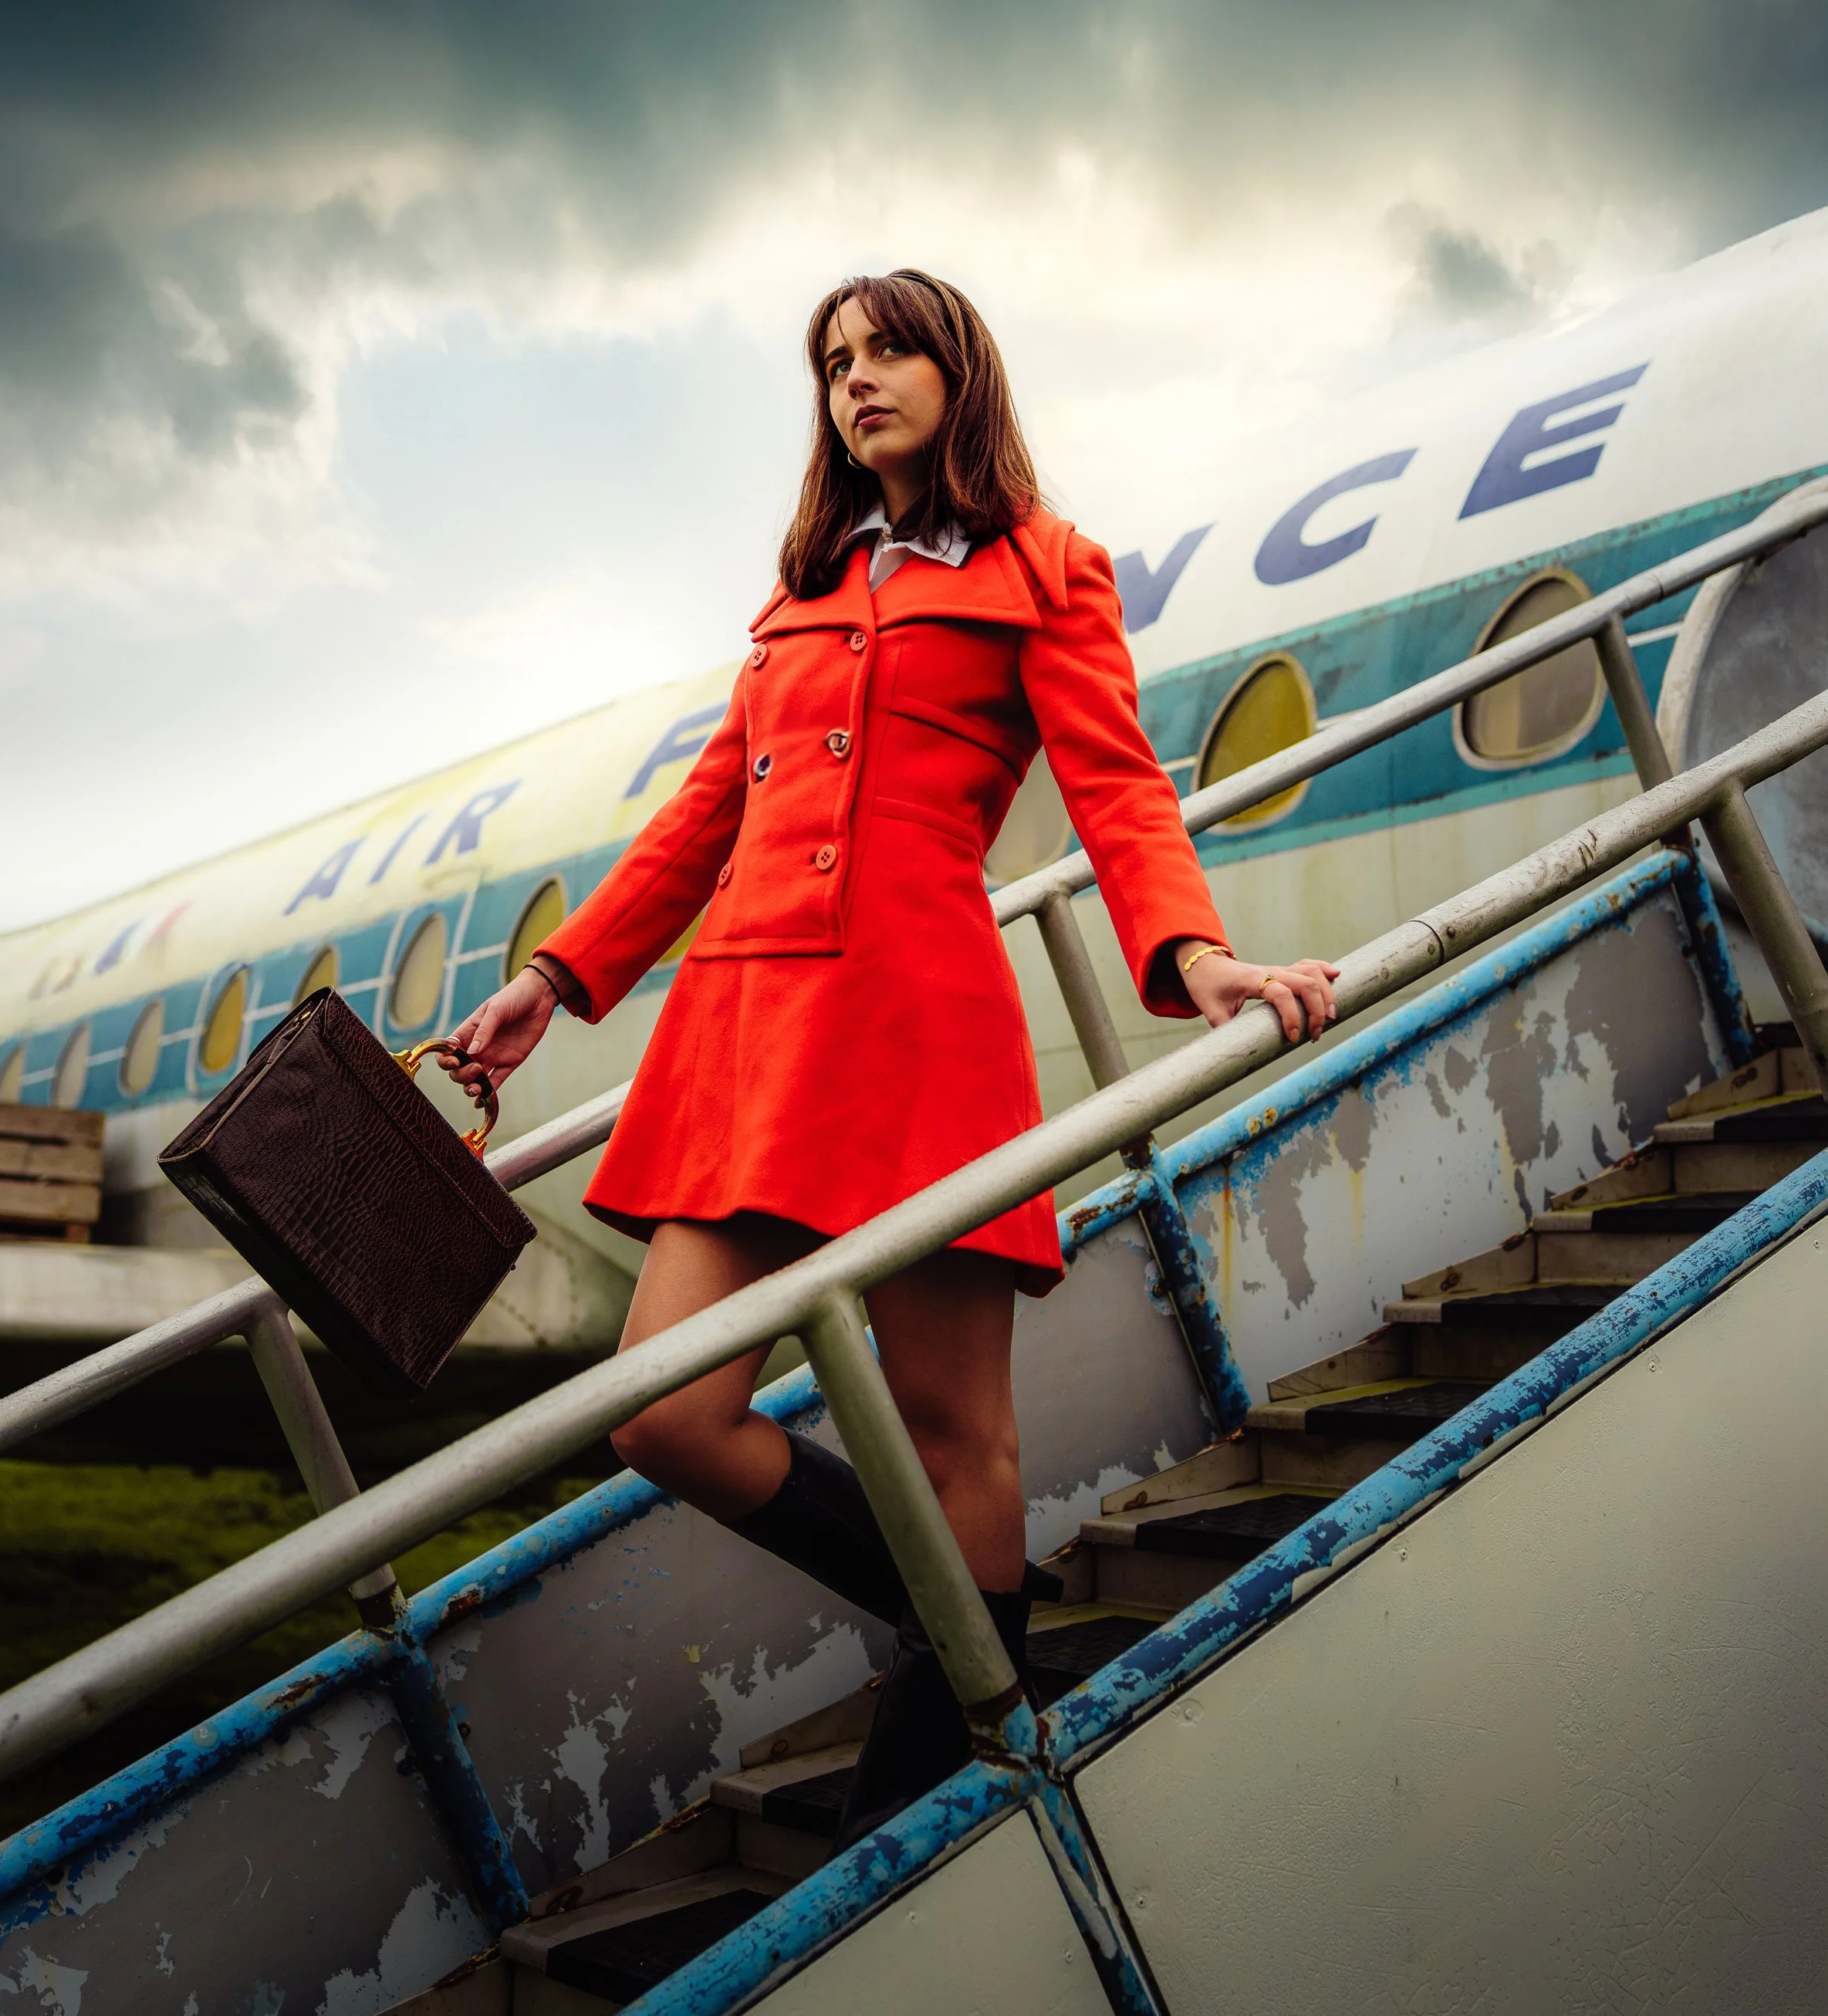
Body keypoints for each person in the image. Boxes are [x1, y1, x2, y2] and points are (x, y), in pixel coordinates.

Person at [442, 268, 1338, 1842]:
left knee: (954, 1433)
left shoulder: (1047, 567)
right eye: (833, 360)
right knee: (663, 1411)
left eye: (887, 349)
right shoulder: (798, 594)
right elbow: (706, 815)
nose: (856, 379)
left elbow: (1116, 785)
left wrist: (1191, 956)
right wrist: (554, 978)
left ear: (956, 369)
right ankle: (968, 1635)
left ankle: (937, 1786)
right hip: (744, 1030)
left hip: (917, 1029)